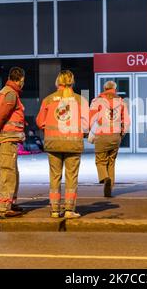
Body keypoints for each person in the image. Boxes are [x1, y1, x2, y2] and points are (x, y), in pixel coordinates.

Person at [36, 70, 89, 219]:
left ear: (57, 81)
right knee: (71, 177)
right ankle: (69, 210)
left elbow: (40, 122)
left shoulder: (48, 100)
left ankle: (54, 210)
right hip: (73, 144)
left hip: (53, 144)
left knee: (55, 177)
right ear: (72, 81)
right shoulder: (80, 100)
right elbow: (86, 125)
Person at [0, 67, 26, 219]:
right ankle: (4, 207)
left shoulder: (2, 92)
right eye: (23, 81)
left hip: (5, 138)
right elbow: (1, 116)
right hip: (7, 138)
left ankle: (11, 202)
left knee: (12, 171)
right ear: (20, 79)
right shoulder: (10, 93)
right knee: (8, 172)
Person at [89, 81, 130, 197]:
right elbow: (126, 122)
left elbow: (91, 119)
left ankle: (105, 178)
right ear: (114, 89)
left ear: (104, 88)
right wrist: (122, 134)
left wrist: (90, 131)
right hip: (115, 136)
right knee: (111, 161)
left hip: (101, 135)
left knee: (100, 161)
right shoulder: (121, 102)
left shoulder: (97, 101)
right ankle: (110, 188)